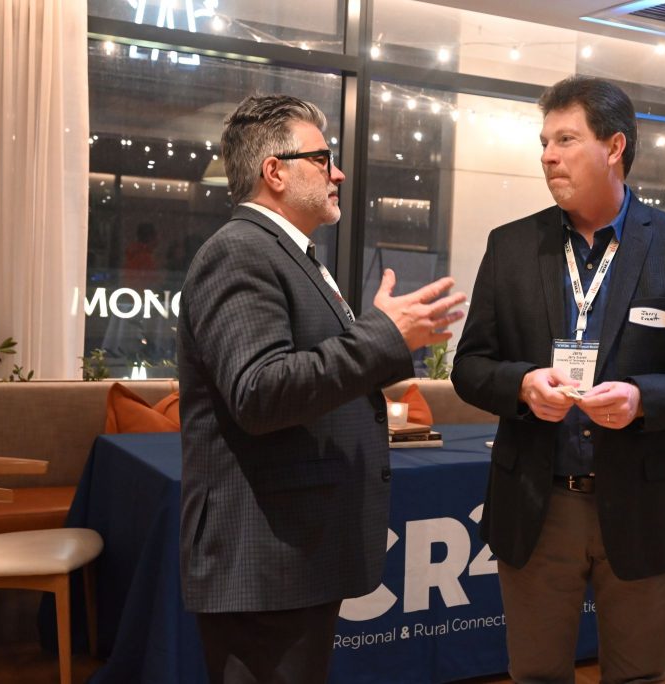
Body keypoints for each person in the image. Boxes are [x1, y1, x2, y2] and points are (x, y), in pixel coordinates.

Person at [451, 76, 665, 683]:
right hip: (538, 501)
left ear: (613, 147)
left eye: (565, 139)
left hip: (644, 503)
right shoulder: (510, 247)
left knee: (638, 677)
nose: (547, 156)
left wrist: (643, 397)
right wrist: (525, 384)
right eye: (544, 142)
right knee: (535, 675)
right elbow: (470, 367)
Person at [176, 94, 465, 684]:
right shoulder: (239, 252)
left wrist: (383, 341)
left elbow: (308, 373)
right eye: (324, 157)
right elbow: (260, 393)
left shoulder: (291, 254)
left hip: (292, 549)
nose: (337, 173)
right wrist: (384, 338)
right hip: (263, 555)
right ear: (275, 171)